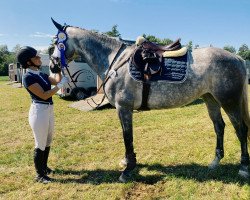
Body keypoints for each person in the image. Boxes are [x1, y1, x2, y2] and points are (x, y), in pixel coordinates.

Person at [17, 46, 69, 183]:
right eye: (36, 57)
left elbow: (57, 80)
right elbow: (44, 95)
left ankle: (44, 167)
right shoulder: (28, 77)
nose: (39, 58)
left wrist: (58, 70)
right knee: (40, 143)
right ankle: (39, 175)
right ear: (28, 62)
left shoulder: (40, 74)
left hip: (49, 110)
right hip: (39, 111)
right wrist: (59, 87)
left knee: (48, 141)